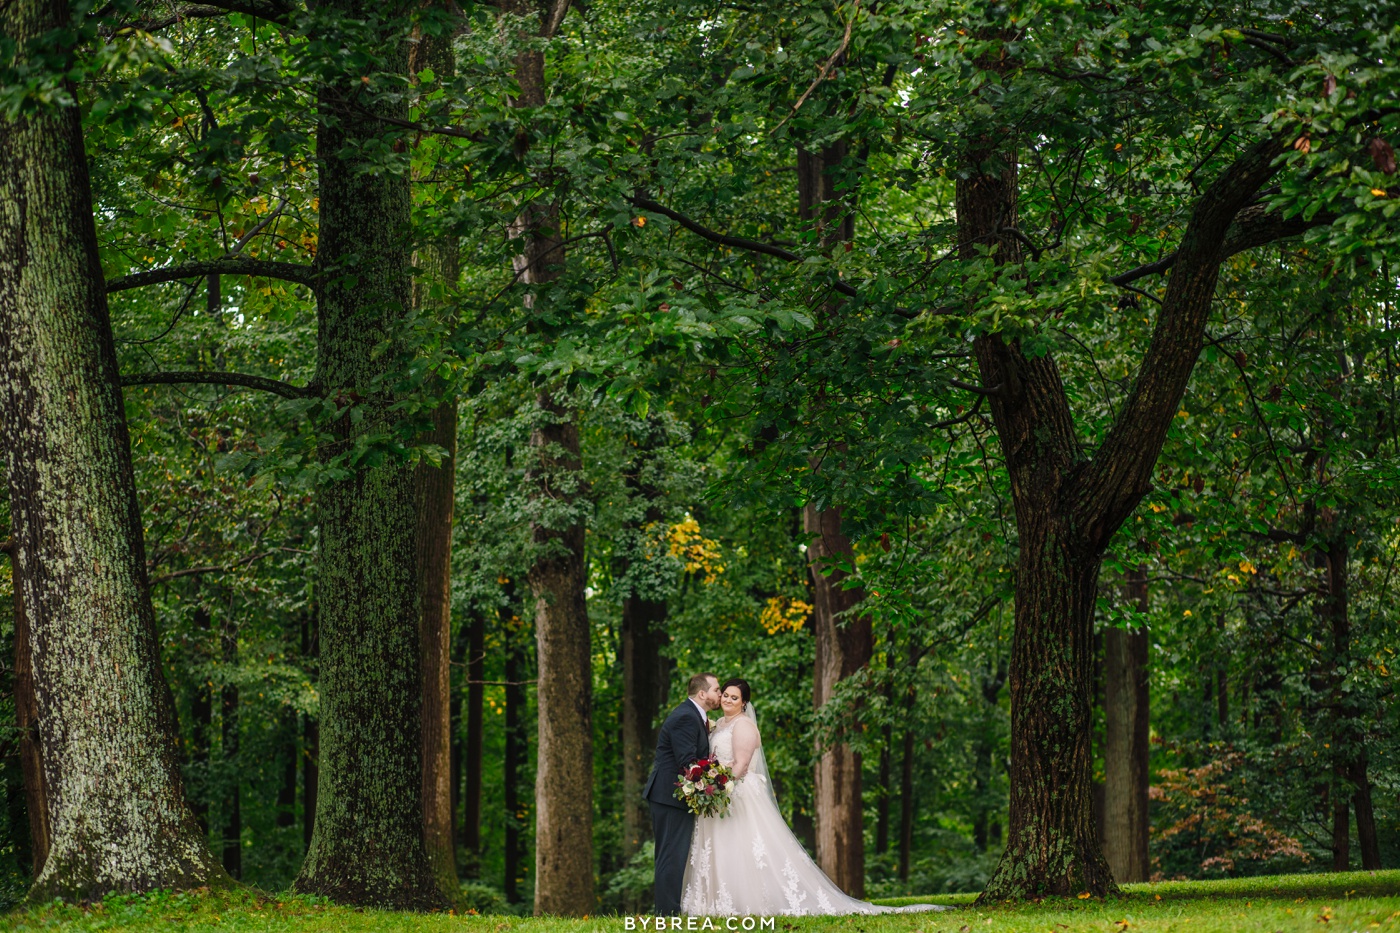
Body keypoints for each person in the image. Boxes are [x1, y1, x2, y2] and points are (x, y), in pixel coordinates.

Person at [680, 678, 944, 916]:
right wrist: (707, 782)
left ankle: (746, 902)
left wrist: (714, 784)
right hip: (719, 795)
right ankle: (713, 902)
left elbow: (740, 766)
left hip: (736, 794)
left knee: (743, 847)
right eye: (724, 694)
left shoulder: (744, 726)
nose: (726, 699)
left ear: (744, 702)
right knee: (722, 847)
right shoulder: (718, 725)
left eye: (734, 697)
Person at [646, 672, 722, 914]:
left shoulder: (695, 717)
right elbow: (688, 762)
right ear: (702, 693)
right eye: (717, 690)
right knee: (670, 855)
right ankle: (666, 915)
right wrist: (717, 780)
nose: (720, 694)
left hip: (674, 797)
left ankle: (668, 911)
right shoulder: (686, 717)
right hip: (669, 796)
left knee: (675, 855)